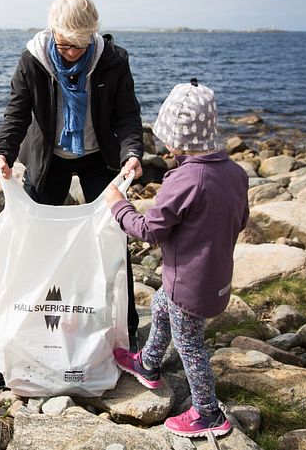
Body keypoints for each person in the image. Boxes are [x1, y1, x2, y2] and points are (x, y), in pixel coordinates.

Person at [0, 0, 144, 350]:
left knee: (113, 241)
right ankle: (31, 320)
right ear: (52, 32)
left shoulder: (114, 60)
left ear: (93, 34)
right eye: (65, 45)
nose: (73, 53)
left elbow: (127, 114)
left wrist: (132, 152)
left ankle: (126, 328)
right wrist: (2, 154)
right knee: (35, 238)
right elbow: (17, 112)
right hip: (49, 158)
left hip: (98, 157)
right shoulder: (33, 60)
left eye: (81, 45)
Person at [106, 80, 249, 438]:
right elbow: (240, 219)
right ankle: (149, 363)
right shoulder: (235, 174)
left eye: (168, 137)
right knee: (158, 305)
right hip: (215, 277)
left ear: (178, 140)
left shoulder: (185, 180)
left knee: (191, 347)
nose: (166, 145)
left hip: (189, 284)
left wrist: (118, 206)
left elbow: (151, 231)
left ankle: (207, 413)